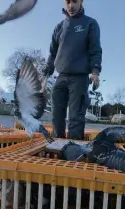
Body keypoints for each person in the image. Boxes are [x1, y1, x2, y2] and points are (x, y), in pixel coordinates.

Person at [43, 0, 102, 140]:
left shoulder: (90, 23)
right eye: (68, 2)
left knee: (75, 117)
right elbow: (52, 53)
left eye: (75, 1)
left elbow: (95, 50)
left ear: (81, 2)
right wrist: (45, 73)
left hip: (80, 78)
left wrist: (95, 72)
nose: (71, 6)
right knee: (56, 115)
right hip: (61, 76)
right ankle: (57, 147)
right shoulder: (59, 27)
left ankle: (74, 153)